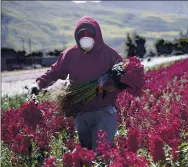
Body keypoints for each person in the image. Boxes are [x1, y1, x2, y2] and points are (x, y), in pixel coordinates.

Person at [30, 16, 140, 150]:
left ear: (97, 35)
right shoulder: (70, 55)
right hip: (81, 112)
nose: (85, 38)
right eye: (81, 35)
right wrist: (38, 84)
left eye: (89, 35)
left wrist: (113, 86)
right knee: (86, 154)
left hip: (105, 112)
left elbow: (123, 79)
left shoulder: (110, 55)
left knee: (102, 153)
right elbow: (54, 71)